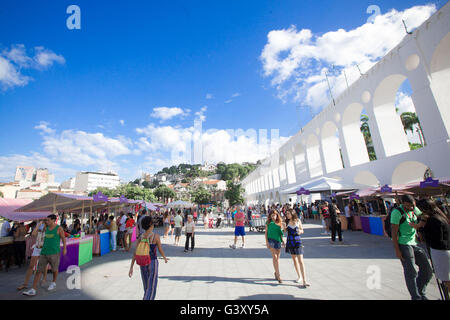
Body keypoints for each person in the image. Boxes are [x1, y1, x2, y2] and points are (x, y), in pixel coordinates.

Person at [390, 195, 432, 300]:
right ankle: (416, 297)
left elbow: (424, 216)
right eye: (409, 205)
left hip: (414, 242)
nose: (412, 208)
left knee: (427, 270)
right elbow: (394, 234)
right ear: (402, 203)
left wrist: (418, 226)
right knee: (411, 272)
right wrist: (397, 250)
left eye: (413, 205)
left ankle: (421, 292)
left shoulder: (414, 208)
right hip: (403, 243)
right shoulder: (396, 213)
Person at [23, 215, 67, 296]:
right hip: (44, 252)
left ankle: (53, 282)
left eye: (48, 220)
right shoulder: (44, 228)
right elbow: (34, 234)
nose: (46, 221)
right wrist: (39, 225)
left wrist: (64, 248)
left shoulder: (58, 228)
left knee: (54, 269)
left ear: (53, 220)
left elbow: (63, 238)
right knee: (39, 270)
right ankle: (33, 289)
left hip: (54, 252)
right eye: (46, 220)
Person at [128, 216, 169, 300]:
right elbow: (160, 249)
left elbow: (135, 252)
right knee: (152, 285)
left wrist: (131, 267)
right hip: (152, 262)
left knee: (146, 285)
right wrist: (164, 258)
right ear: (151, 224)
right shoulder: (155, 236)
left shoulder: (141, 237)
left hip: (142, 262)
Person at [414, 199, 450, 293]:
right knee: (447, 279)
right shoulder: (441, 217)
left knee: (447, 280)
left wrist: (422, 227)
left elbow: (436, 239)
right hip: (443, 251)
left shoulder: (433, 220)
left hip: (440, 252)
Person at [17, 220, 48, 291]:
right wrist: (38, 226)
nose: (42, 224)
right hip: (37, 248)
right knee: (31, 266)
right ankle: (25, 284)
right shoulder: (39, 229)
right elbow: (33, 234)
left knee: (43, 265)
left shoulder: (49, 230)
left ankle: (44, 278)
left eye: (44, 223)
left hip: (44, 248)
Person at [284, 209, 310, 288]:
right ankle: (299, 276)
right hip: (290, 241)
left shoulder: (298, 220)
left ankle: (305, 280)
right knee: (294, 260)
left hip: (297, 241)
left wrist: (300, 231)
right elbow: (285, 231)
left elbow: (302, 230)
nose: (287, 215)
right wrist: (283, 227)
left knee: (301, 261)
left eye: (288, 213)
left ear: (292, 213)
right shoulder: (287, 222)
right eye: (286, 214)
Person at [265, 210, 285, 283]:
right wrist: (267, 242)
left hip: (278, 240)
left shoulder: (279, 223)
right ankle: (278, 275)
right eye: (272, 215)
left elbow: (281, 233)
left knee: (277, 258)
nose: (273, 216)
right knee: (275, 257)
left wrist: (283, 241)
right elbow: (266, 233)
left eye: (275, 215)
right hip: (271, 240)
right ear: (270, 216)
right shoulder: (268, 223)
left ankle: (276, 272)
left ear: (277, 215)